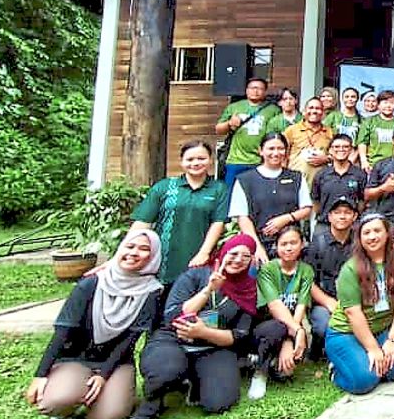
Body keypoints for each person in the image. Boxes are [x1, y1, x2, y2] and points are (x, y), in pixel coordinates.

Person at [28, 231, 162, 419]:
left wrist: (103, 375)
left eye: (144, 249)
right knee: (53, 401)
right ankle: (67, 407)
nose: (134, 253)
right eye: (130, 246)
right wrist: (40, 375)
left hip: (116, 363)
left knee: (104, 418)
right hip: (75, 358)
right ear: (120, 249)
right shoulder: (91, 283)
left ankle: (112, 393)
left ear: (153, 257)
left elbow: (130, 340)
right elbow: (63, 332)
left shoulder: (151, 292)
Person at [128, 234, 259, 419]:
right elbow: (173, 316)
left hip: (212, 346)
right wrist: (208, 290)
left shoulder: (248, 289)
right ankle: (151, 405)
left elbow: (238, 335)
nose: (238, 259)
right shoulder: (196, 275)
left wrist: (203, 332)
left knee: (219, 403)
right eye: (234, 253)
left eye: (246, 256)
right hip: (173, 338)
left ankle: (195, 381)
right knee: (164, 371)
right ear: (223, 252)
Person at [323, 213, 394, 395]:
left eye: (377, 231)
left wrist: (392, 339)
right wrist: (373, 349)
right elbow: (353, 313)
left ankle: (367, 361)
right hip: (346, 332)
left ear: (387, 233)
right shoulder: (350, 269)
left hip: (382, 329)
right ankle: (336, 370)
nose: (372, 237)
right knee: (364, 381)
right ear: (359, 238)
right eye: (366, 233)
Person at [129, 141, 229, 288]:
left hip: (198, 258)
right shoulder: (164, 187)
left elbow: (218, 223)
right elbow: (143, 222)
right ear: (182, 162)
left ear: (210, 160)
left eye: (201, 158)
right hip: (163, 259)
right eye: (190, 159)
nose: (195, 163)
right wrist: (125, 251)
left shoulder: (219, 189)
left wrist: (204, 253)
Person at [249, 226, 314, 399]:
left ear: (302, 245)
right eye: (283, 243)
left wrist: (296, 334)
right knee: (277, 329)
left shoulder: (306, 270)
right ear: (276, 247)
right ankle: (259, 372)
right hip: (267, 324)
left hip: (292, 322)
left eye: (294, 243)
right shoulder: (268, 270)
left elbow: (301, 306)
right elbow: (275, 306)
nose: (289, 247)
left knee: (285, 373)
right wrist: (290, 336)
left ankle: (274, 364)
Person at [229, 133, 313, 261]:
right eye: (271, 149)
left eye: (280, 148)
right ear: (261, 151)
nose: (276, 153)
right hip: (258, 244)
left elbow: (306, 209)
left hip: (290, 246)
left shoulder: (296, 177)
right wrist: (256, 247)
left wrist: (286, 219)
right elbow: (242, 217)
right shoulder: (245, 179)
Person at [307, 196, 358, 355]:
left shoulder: (359, 244)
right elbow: (308, 282)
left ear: (354, 216)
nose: (342, 216)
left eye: (347, 212)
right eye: (337, 212)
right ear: (329, 217)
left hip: (353, 300)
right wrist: (328, 302)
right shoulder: (317, 244)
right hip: (324, 301)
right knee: (324, 327)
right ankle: (318, 349)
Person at [215, 77, 280, 188]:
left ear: (265, 91)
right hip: (236, 160)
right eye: (253, 88)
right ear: (246, 90)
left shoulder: (273, 110)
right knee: (231, 195)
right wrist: (229, 123)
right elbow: (218, 130)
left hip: (261, 161)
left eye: (260, 88)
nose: (256, 91)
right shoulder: (234, 107)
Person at [311, 134, 367, 226]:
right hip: (325, 224)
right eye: (336, 147)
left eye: (345, 147)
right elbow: (316, 202)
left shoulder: (360, 175)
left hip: (351, 226)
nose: (341, 149)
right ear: (330, 150)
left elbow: (362, 201)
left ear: (351, 150)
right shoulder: (321, 174)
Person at [284, 97, 332, 189]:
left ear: (323, 113)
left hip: (320, 185)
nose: (314, 111)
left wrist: (327, 158)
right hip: (295, 184)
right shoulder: (291, 130)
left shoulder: (329, 132)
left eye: (318, 108)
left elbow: (336, 156)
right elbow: (283, 156)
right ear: (304, 111)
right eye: (311, 108)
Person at [357, 90, 394, 170]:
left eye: (391, 103)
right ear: (378, 104)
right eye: (385, 102)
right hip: (373, 165)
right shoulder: (369, 121)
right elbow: (362, 142)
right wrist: (364, 161)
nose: (388, 106)